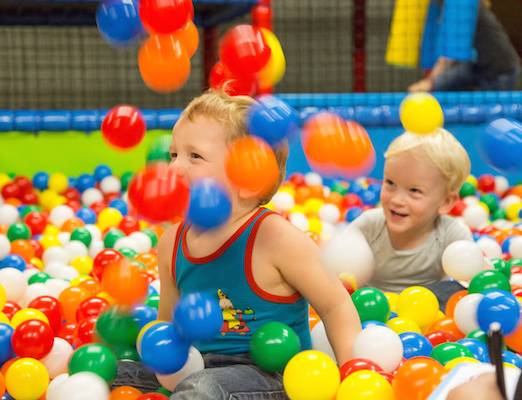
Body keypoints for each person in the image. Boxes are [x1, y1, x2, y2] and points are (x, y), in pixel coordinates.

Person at [112, 89, 362, 399]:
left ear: (248, 175)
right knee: (107, 375)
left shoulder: (274, 238)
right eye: (173, 155)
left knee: (201, 390)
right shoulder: (171, 243)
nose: (174, 169)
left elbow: (335, 305)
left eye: (195, 156)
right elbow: (168, 328)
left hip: (271, 376)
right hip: (195, 368)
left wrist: (353, 377)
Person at [347, 128, 473, 308]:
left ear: (445, 201)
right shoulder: (370, 224)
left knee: (454, 290)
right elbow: (335, 258)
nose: (396, 200)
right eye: (390, 183)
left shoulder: (450, 233)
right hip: (372, 309)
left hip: (426, 313)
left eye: (414, 191)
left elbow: (479, 275)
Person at [408, 0, 521, 93]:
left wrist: (429, 82)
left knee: (495, 111)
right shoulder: (452, 9)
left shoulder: (461, 9)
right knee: (446, 81)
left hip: (500, 70)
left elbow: (450, 54)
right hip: (476, 65)